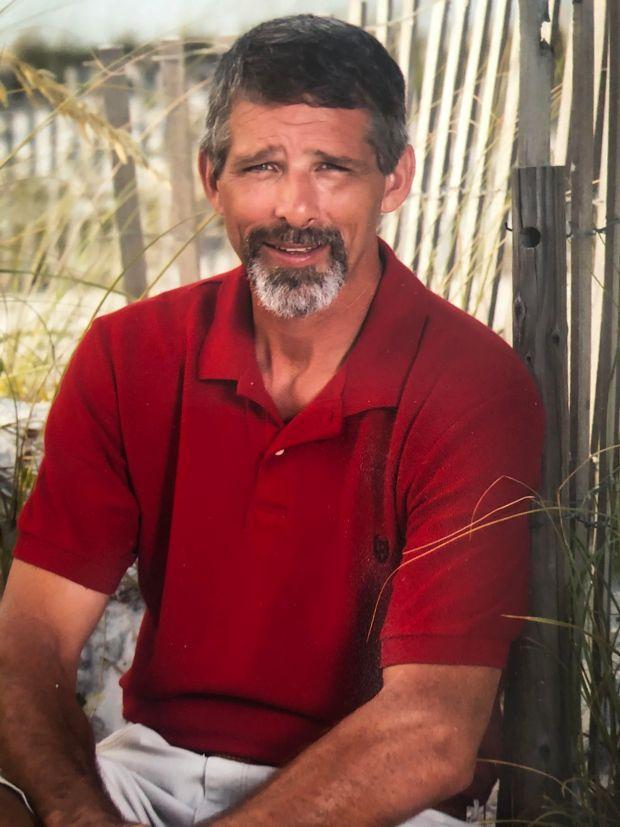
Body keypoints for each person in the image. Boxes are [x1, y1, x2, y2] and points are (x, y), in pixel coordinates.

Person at [0, 14, 544, 827]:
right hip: (148, 772)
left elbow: (432, 731)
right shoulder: (128, 354)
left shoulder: (472, 386)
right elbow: (28, 642)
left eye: (332, 168)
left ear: (395, 179)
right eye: (262, 166)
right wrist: (79, 813)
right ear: (212, 177)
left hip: (372, 799)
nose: (295, 208)